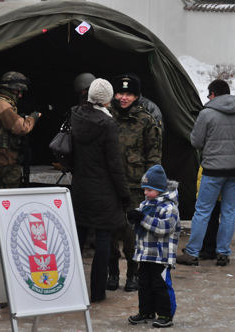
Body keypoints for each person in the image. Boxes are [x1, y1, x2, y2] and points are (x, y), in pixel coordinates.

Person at [176, 79, 235, 266]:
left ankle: (192, 252)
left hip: (213, 171)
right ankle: (222, 252)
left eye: (209, 94)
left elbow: (196, 142)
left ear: (213, 94)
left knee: (202, 211)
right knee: (229, 212)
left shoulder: (206, 114)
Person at [71, 78, 130, 303]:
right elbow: (115, 165)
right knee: (104, 241)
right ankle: (97, 292)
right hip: (103, 192)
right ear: (107, 100)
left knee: (78, 239)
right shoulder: (108, 125)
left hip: (80, 188)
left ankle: (71, 288)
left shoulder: (75, 115)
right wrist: (124, 195)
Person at [107, 73, 162, 292]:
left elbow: (154, 156)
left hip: (135, 187)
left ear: (137, 96)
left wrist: (151, 186)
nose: (123, 97)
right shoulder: (107, 117)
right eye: (120, 92)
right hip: (110, 185)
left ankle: (132, 275)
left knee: (132, 234)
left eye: (129, 94)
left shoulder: (146, 120)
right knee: (110, 232)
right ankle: (112, 274)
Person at [127, 164, 180, 328]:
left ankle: (165, 315)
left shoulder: (169, 207)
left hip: (161, 256)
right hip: (144, 254)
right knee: (144, 285)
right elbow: (138, 226)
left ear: (159, 189)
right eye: (144, 190)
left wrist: (142, 218)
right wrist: (132, 218)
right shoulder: (145, 205)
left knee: (160, 285)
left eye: (149, 190)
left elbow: (163, 228)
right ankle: (146, 311)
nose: (145, 193)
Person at [0, 71, 41, 188]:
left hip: (5, 158)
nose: (20, 95)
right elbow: (21, 128)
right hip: (6, 160)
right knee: (9, 195)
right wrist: (33, 117)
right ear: (8, 89)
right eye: (17, 91)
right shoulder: (2, 105)